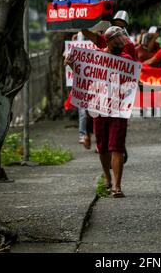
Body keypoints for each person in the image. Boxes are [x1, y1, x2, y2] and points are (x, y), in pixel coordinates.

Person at [65, 26, 133, 198]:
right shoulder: (96, 56)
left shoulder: (125, 58)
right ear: (108, 41)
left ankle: (117, 186)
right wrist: (72, 65)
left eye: (122, 40)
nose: (120, 43)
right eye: (116, 40)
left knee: (116, 147)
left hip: (118, 109)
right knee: (103, 147)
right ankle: (108, 178)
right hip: (98, 108)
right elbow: (85, 76)